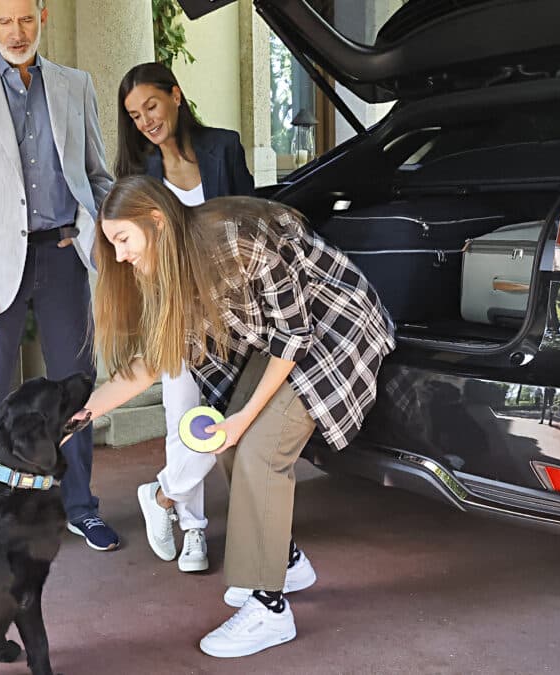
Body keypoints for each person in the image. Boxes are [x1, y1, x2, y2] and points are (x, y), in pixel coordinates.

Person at [73, 175, 395, 658]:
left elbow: (294, 334)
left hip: (334, 327)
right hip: (283, 342)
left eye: (122, 239)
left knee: (261, 450)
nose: (118, 256)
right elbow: (152, 363)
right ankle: (283, 561)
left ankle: (270, 610)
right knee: (224, 437)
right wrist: (83, 413)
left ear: (156, 221)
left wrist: (246, 419)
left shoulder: (236, 240)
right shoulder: (164, 267)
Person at [0, 0, 118, 551]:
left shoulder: (74, 85)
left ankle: (79, 506)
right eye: (5, 22)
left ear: (43, 19)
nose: (17, 33)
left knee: (77, 391)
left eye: (27, 21)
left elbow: (97, 174)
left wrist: (102, 239)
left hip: (63, 257)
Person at [114, 62, 255, 574]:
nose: (146, 120)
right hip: (173, 310)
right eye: (134, 115)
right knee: (183, 421)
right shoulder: (139, 176)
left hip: (233, 311)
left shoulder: (224, 147)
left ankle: (162, 495)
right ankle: (194, 530)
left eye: (151, 105)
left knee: (223, 420)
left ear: (175, 95)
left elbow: (251, 216)